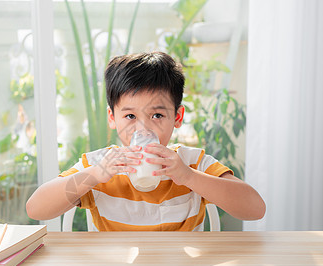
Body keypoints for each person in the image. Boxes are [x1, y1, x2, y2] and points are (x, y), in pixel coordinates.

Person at [26, 51, 265, 231]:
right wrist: (95, 175)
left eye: (157, 115)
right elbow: (36, 208)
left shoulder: (192, 163)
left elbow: (255, 209)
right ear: (112, 118)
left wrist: (188, 177)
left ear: (177, 117)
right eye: (130, 116)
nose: (143, 127)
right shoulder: (100, 165)